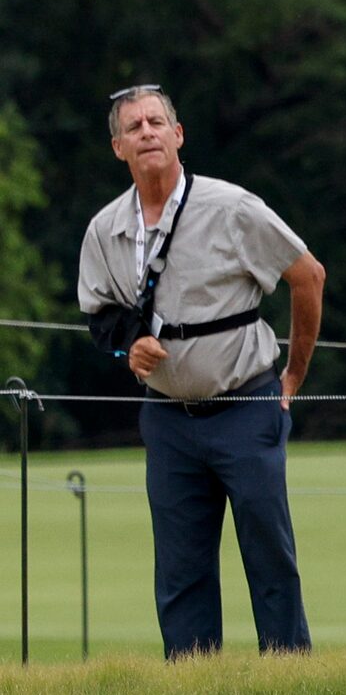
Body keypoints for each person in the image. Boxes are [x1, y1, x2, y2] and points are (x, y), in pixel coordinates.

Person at [75, 85, 323, 657]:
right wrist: (129, 346)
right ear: (118, 147)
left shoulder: (232, 208)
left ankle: (290, 685)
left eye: (157, 122)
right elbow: (101, 314)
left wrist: (293, 376)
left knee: (269, 558)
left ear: (178, 134)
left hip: (246, 405)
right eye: (133, 127)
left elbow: (308, 276)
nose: (147, 132)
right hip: (167, 421)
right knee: (180, 571)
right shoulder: (105, 229)